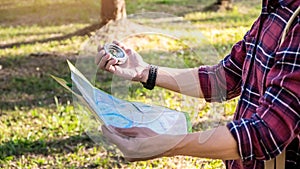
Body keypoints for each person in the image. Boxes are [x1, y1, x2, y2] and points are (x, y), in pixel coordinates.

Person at [95, 0, 300, 168]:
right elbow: (224, 78)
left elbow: (265, 132)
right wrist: (144, 71)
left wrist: (165, 144)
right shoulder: (275, 9)